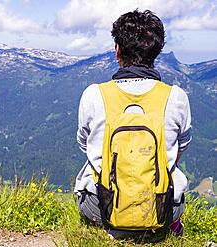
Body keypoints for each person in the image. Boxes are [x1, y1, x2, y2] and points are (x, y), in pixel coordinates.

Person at [74, 9, 191, 238]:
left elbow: (84, 144)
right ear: (156, 52)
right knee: (176, 196)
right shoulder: (176, 97)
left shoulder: (94, 95)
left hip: (101, 206)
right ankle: (163, 228)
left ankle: (111, 226)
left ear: (117, 50)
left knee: (85, 187)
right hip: (162, 207)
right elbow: (180, 148)